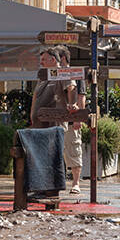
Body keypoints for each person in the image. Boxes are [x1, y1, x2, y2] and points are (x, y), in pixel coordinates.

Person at [56, 45, 85, 195]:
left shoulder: (75, 73)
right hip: (57, 120)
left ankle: (76, 182)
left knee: (73, 150)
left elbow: (81, 96)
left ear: (62, 58)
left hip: (71, 119)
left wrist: (78, 118)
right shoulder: (53, 74)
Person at [30, 48, 77, 129]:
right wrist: (32, 115)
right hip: (39, 125)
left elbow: (71, 87)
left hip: (55, 126)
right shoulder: (43, 76)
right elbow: (35, 96)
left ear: (53, 59)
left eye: (43, 60)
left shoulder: (63, 73)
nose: (41, 63)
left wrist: (72, 104)